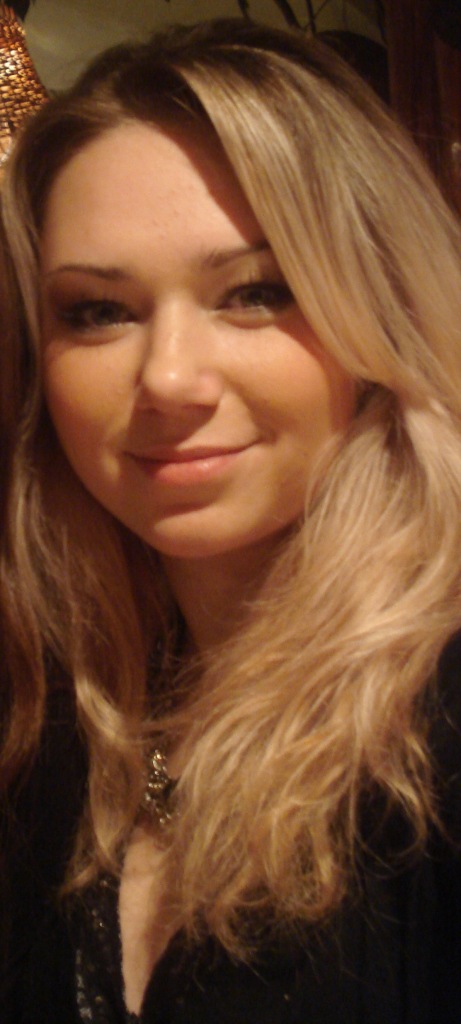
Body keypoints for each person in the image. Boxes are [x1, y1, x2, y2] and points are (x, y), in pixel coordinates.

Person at [1, 16, 461, 1023]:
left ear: (377, 311)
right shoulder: (60, 707)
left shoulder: (435, 720)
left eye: (254, 293)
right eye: (98, 311)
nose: (168, 378)